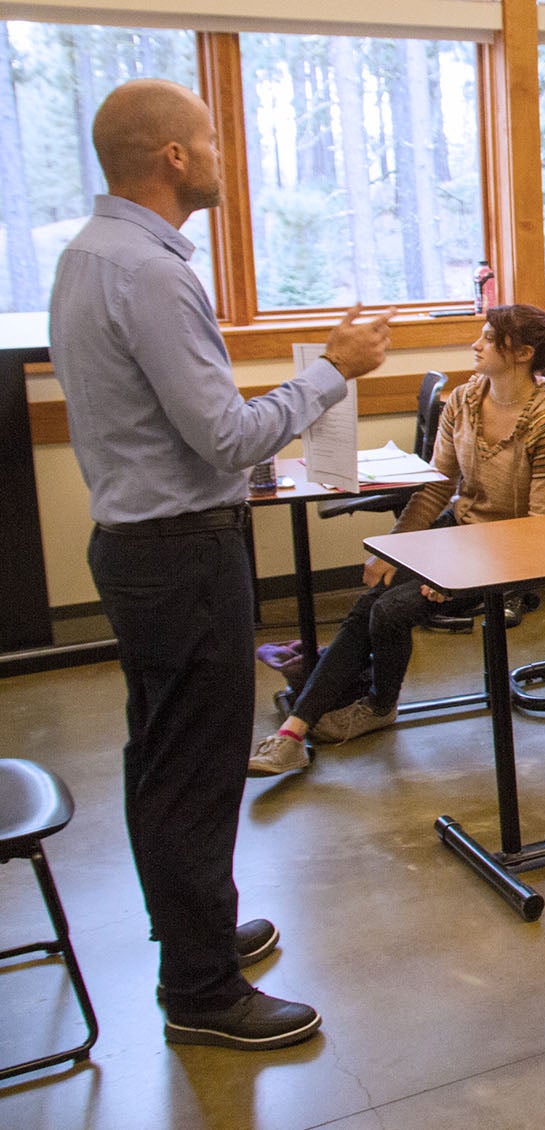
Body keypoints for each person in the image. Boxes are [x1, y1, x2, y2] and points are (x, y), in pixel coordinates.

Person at [49, 78, 393, 1050]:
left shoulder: (88, 255)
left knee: (160, 757)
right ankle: (200, 989)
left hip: (134, 545)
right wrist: (334, 368)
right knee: (195, 770)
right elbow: (225, 436)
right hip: (180, 550)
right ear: (171, 157)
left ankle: (192, 931)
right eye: (209, 137)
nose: (220, 155)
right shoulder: (150, 271)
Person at [249, 306, 545, 776]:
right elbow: (436, 487)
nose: (476, 345)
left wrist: (458, 577)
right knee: (372, 598)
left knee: (389, 609)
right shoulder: (465, 400)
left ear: (524, 355)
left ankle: (378, 707)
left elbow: (540, 528)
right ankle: (293, 734)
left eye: (489, 339)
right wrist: (392, 548)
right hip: (462, 536)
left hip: (511, 555)